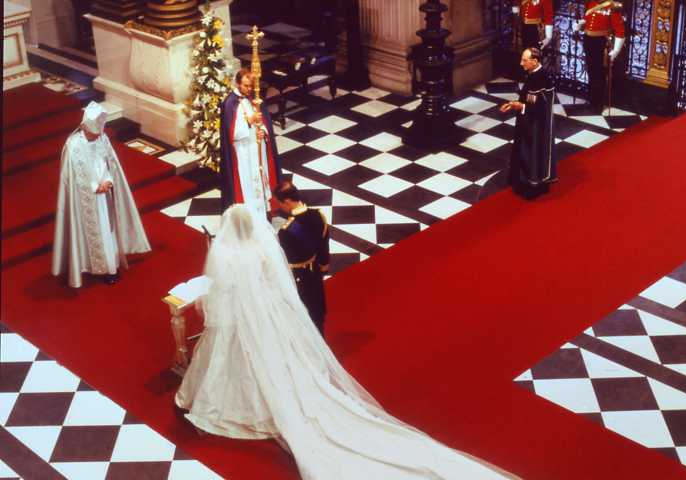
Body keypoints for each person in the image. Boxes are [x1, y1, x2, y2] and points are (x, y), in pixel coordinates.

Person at [175, 204, 517, 480]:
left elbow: (221, 290)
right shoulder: (261, 250)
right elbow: (276, 282)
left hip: (242, 316)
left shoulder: (227, 254)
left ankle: (242, 401)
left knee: (239, 358)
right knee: (279, 359)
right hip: (271, 313)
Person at [52, 101, 151, 287]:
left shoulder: (101, 138)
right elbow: (72, 175)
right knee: (92, 232)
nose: (96, 137)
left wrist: (108, 180)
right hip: (85, 198)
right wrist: (94, 187)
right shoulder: (73, 146)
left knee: (107, 228)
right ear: (84, 127)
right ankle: (92, 266)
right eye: (93, 134)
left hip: (104, 195)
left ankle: (110, 266)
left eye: (98, 134)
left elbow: (108, 163)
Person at [219, 68, 282, 216]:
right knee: (247, 182)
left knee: (261, 178)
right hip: (243, 151)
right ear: (238, 83)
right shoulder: (230, 103)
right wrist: (249, 122)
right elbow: (231, 133)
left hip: (257, 146)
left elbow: (265, 123)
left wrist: (263, 132)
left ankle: (263, 210)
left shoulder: (255, 98)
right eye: (246, 86)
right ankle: (249, 214)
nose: (249, 89)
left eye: (251, 86)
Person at [273, 181, 330, 336]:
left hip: (298, 277)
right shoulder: (318, 215)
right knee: (317, 311)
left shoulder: (286, 230)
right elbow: (323, 243)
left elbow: (284, 259)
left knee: (304, 315)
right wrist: (323, 264)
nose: (280, 207)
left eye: (280, 203)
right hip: (315, 271)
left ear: (287, 201)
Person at [500, 47, 556, 199]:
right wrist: (514, 104)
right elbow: (529, 99)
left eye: (524, 60)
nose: (521, 63)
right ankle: (520, 181)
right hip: (528, 121)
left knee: (531, 153)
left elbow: (540, 106)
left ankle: (531, 187)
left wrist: (520, 106)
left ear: (535, 61)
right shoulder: (534, 74)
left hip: (536, 125)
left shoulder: (541, 78)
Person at [573, 0, 626, 113]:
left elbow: (619, 29)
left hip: (601, 42)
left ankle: (597, 104)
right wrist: (580, 25)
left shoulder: (612, 6)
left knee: (599, 73)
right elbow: (588, 19)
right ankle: (591, 100)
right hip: (588, 39)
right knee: (590, 71)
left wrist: (616, 50)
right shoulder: (590, 2)